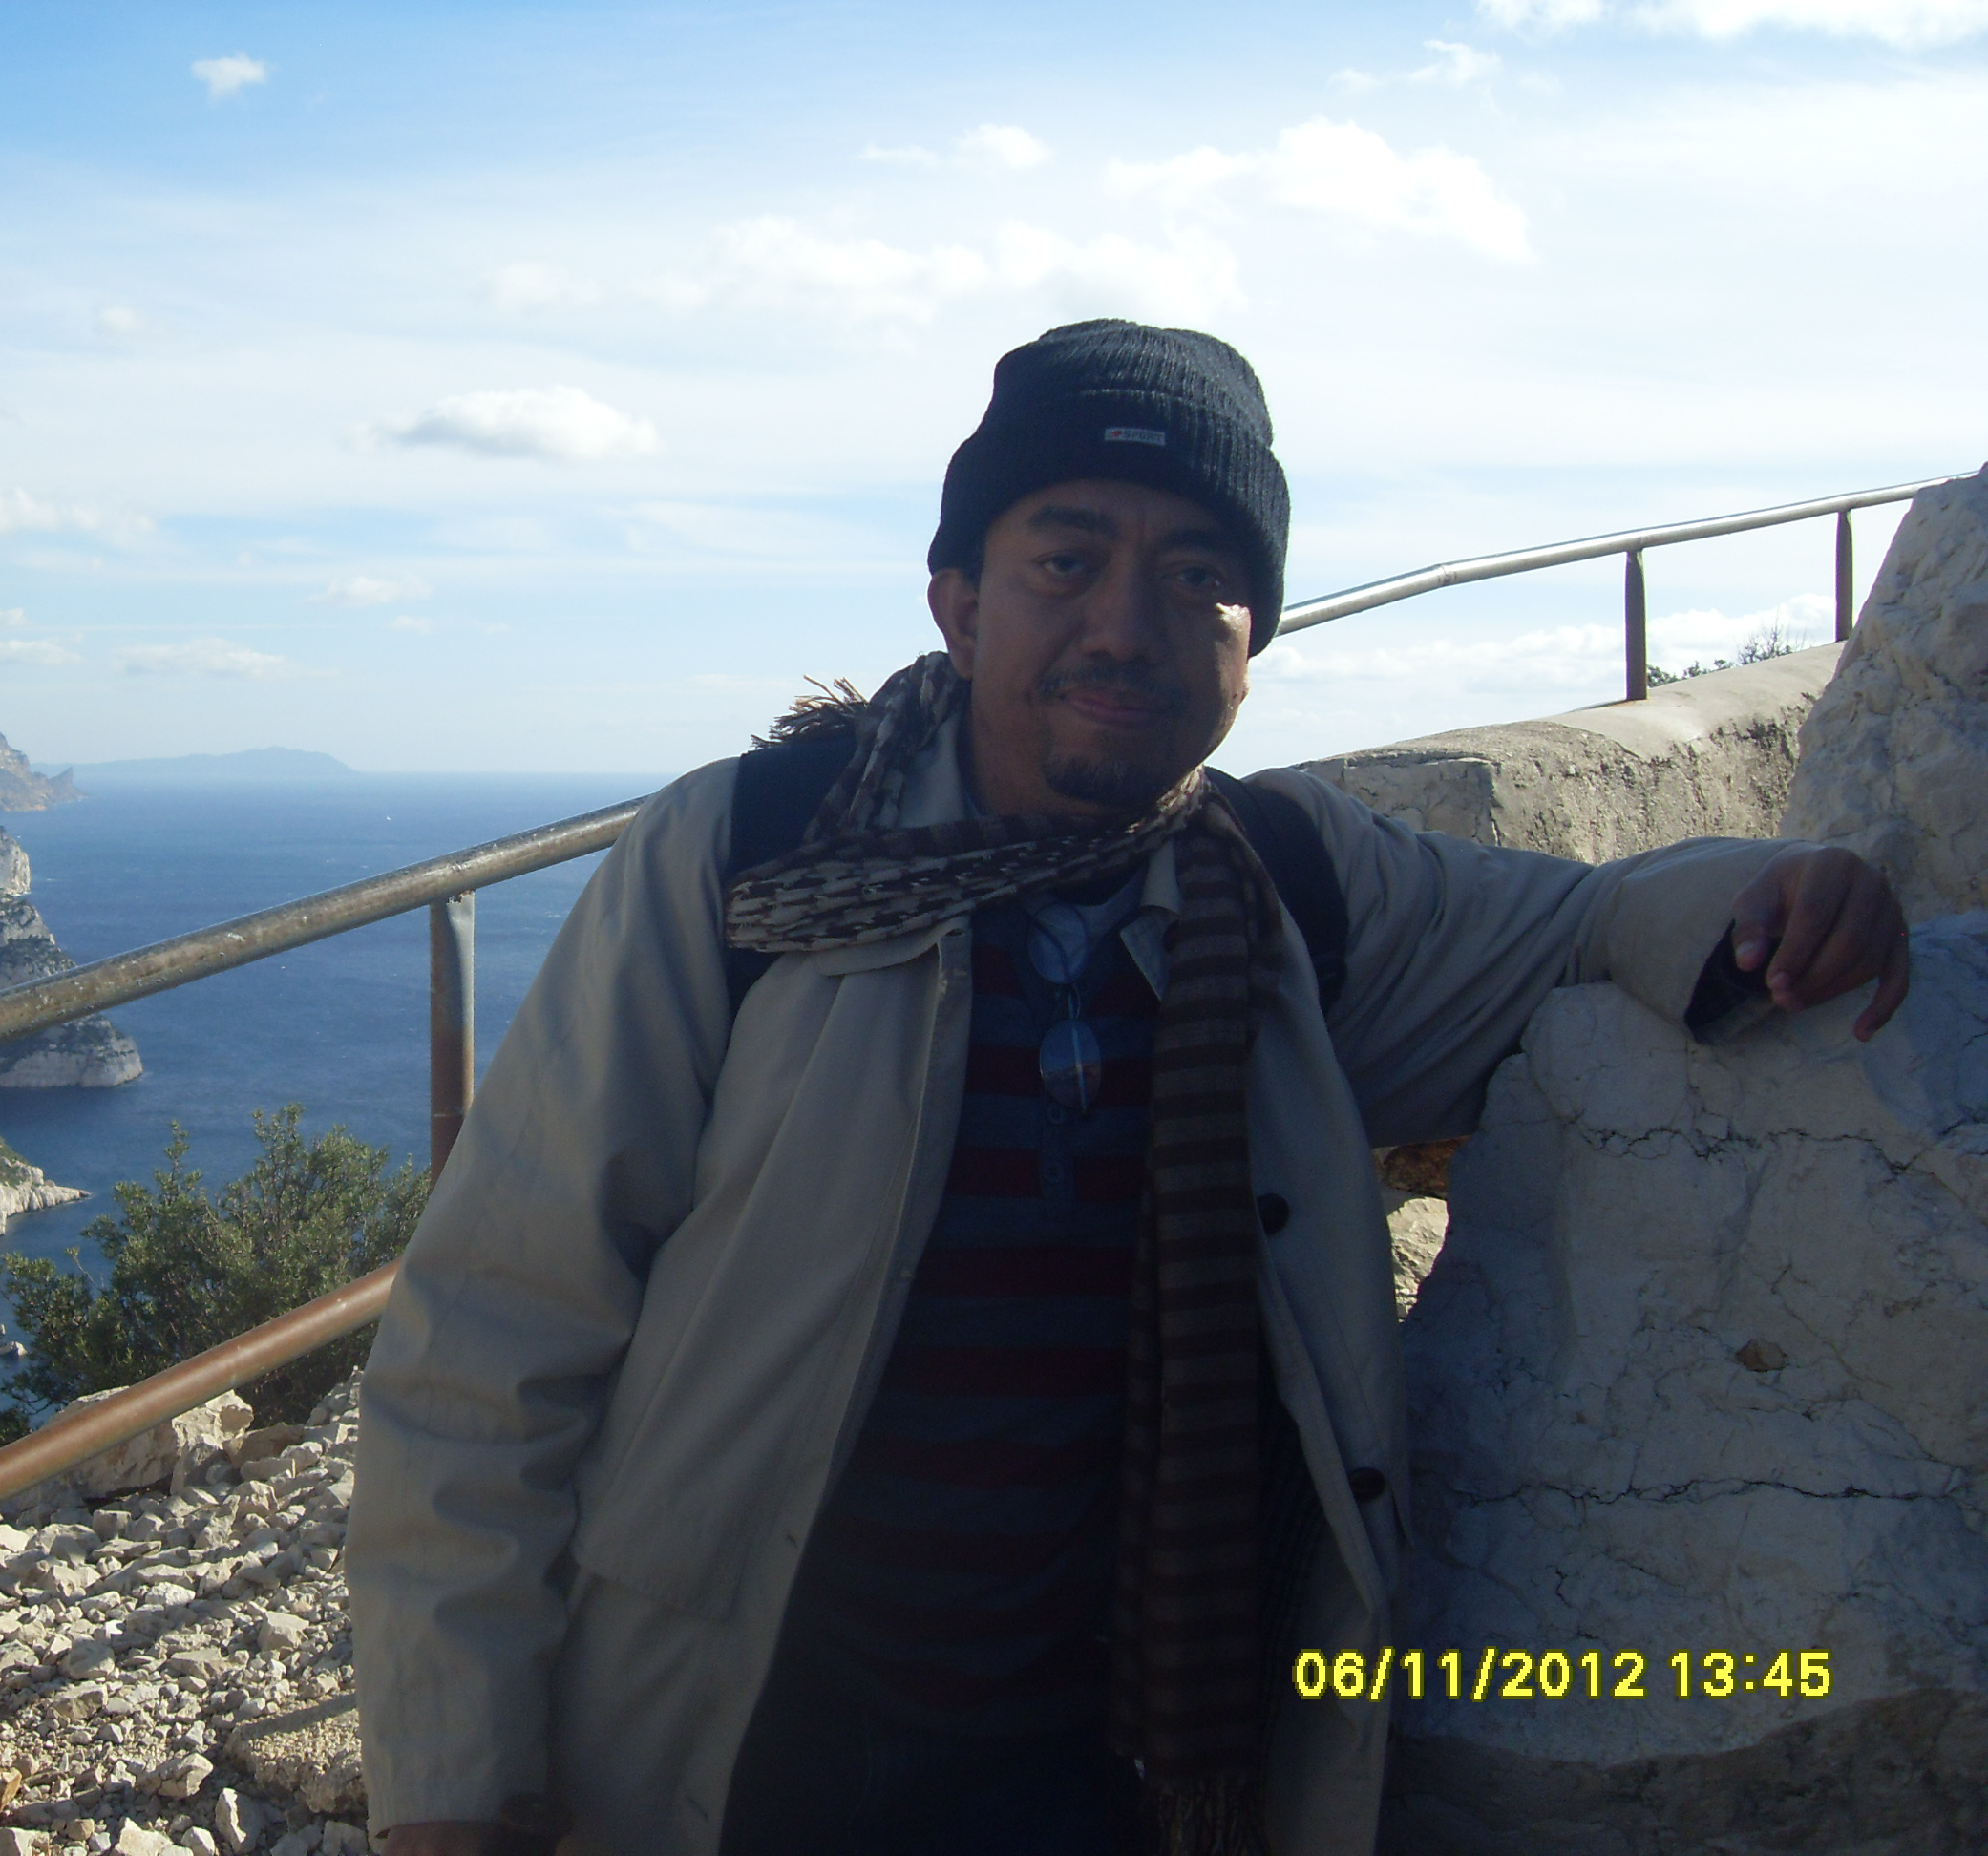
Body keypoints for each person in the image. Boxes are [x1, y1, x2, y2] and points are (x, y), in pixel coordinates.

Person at [346, 321, 1909, 1856]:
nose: (1125, 627)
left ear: (1252, 638)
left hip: (1120, 1758)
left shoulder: (1289, 885)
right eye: (1066, 561)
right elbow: (500, 1323)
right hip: (733, 1733)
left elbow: (1581, 924)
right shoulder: (752, 859)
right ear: (960, 604)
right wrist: (452, 1789)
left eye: (1195, 576)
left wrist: (1784, 896)